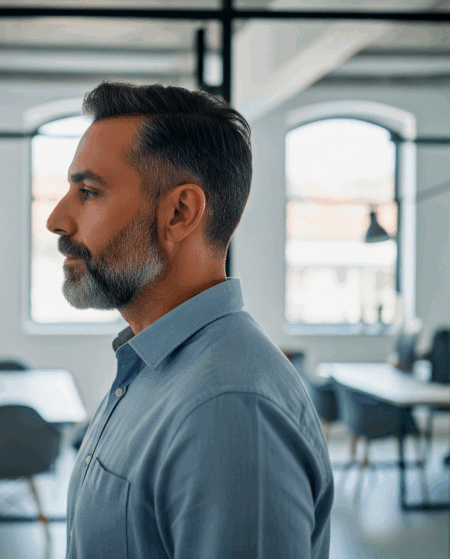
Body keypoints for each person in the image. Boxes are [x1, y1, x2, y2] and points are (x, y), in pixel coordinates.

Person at [47, 82, 333, 558]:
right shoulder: (150, 365)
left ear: (179, 213)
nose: (57, 218)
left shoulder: (230, 409)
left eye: (89, 192)